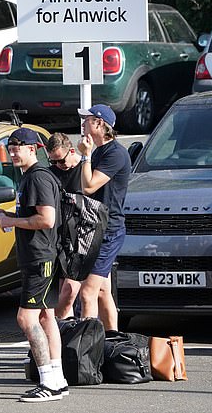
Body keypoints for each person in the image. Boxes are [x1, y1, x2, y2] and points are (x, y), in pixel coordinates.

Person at [0, 128, 67, 402]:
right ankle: (57, 379)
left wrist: (12, 222)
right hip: (38, 256)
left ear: (32, 148)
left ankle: (48, 382)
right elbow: (34, 216)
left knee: (26, 319)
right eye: (10, 146)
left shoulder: (37, 178)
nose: (13, 150)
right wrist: (8, 215)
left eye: (18, 146)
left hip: (41, 258)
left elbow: (46, 219)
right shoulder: (30, 178)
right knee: (47, 317)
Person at [75, 104, 131, 331]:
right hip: (94, 228)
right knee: (102, 290)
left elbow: (88, 186)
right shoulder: (100, 151)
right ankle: (112, 339)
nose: (82, 124)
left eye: (86, 120)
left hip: (107, 231)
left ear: (99, 124)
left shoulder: (116, 153)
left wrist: (84, 156)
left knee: (87, 292)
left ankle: (85, 349)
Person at [45, 133, 84, 319]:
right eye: (53, 161)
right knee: (63, 291)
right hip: (60, 237)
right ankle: (65, 332)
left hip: (81, 237)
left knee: (75, 292)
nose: (58, 165)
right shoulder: (51, 173)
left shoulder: (84, 169)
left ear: (71, 151)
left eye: (60, 160)